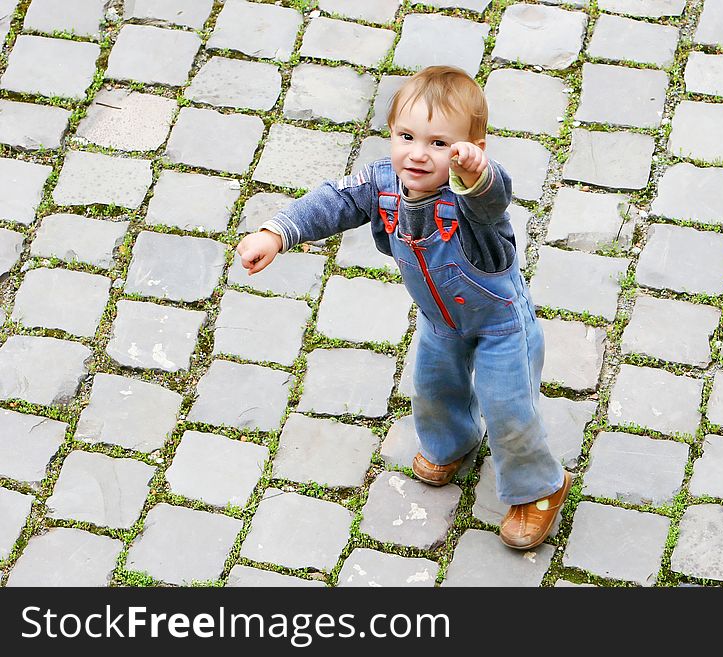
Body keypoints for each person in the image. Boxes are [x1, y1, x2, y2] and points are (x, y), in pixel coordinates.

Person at [236, 65, 571, 550]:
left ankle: (539, 486)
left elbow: (494, 196)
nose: (417, 153)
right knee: (434, 389)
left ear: (471, 149)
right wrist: (277, 232)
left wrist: (476, 173)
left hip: (500, 324)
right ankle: (452, 443)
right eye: (406, 136)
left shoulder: (473, 199)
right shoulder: (382, 183)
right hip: (441, 321)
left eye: (439, 144)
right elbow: (333, 200)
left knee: (508, 407)